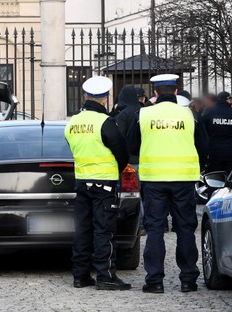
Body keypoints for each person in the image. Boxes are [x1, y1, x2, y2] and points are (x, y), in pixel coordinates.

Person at [128, 74, 207, 294]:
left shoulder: (143, 114)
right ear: (175, 92)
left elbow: (132, 145)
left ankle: (154, 281)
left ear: (154, 93)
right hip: (183, 180)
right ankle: (188, 279)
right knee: (185, 229)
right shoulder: (190, 115)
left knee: (154, 230)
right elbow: (203, 146)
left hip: (154, 180)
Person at [64, 76, 132, 290]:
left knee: (82, 229)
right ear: (104, 99)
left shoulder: (73, 122)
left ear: (86, 96)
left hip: (82, 182)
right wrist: (116, 169)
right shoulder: (105, 122)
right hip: (104, 184)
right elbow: (122, 152)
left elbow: (71, 146)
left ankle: (80, 275)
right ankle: (105, 276)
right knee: (104, 230)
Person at [202, 91, 232, 174]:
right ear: (227, 100)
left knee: (213, 177)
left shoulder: (208, 112)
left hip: (213, 152)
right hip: (230, 152)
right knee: (230, 176)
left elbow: (203, 128)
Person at [112, 84, 143, 167]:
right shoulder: (143, 110)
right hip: (144, 156)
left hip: (129, 157)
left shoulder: (123, 114)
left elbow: (119, 136)